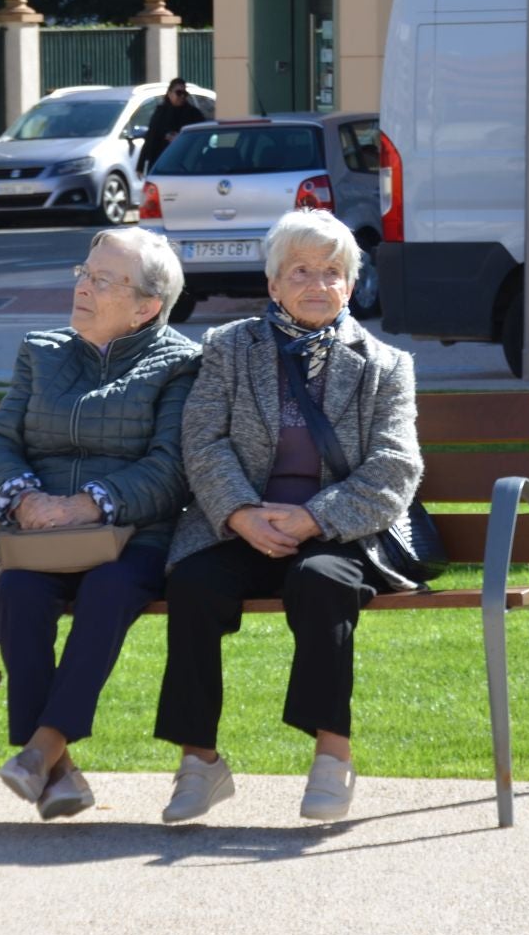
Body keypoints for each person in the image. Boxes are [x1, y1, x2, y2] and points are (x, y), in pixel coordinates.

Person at [155, 208, 422, 825]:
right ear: (273, 284)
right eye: (300, 270)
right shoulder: (228, 347)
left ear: (351, 286)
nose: (317, 284)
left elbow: (394, 467)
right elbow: (203, 440)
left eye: (332, 272)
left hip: (337, 532)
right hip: (240, 527)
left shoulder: (386, 365)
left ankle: (333, 755)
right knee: (193, 583)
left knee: (321, 581)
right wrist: (242, 513)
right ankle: (199, 762)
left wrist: (313, 519)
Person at [0, 227, 199, 819]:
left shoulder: (178, 364)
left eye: (103, 280)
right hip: (41, 539)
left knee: (108, 590)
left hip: (134, 537)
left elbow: (171, 466)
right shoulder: (42, 350)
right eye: (84, 273)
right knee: (17, 594)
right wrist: (23, 499)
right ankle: (60, 771)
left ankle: (43, 748)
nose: (83, 288)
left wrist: (90, 503)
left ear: (146, 307)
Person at [135, 78, 206, 178]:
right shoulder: (160, 113)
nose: (182, 96)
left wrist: (181, 138)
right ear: (169, 93)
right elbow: (150, 138)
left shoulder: (193, 114)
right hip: (160, 164)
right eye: (178, 93)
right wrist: (140, 166)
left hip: (185, 167)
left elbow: (201, 138)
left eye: (184, 93)